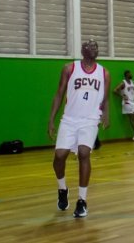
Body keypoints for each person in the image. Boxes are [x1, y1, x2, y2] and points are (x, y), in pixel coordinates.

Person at [48, 39, 110, 218]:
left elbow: (105, 98)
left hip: (90, 120)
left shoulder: (104, 73)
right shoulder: (69, 68)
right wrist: (51, 119)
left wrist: (106, 115)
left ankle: (82, 201)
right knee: (59, 156)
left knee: (84, 153)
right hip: (69, 119)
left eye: (96, 46)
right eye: (90, 46)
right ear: (82, 50)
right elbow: (59, 94)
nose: (94, 49)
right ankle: (62, 189)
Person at [113, 70, 134, 141]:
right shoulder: (123, 83)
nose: (131, 74)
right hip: (127, 102)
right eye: (130, 73)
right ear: (126, 75)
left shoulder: (133, 83)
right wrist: (122, 95)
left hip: (132, 102)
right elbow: (115, 90)